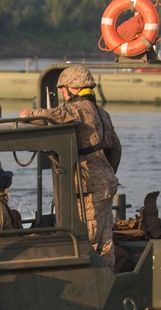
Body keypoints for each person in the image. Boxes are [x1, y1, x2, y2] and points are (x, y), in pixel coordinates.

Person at [20, 66, 122, 269]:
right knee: (105, 241)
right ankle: (108, 282)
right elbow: (116, 149)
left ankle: (91, 287)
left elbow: (49, 116)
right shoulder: (103, 113)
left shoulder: (76, 110)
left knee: (88, 241)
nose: (63, 95)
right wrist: (106, 171)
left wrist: (28, 113)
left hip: (90, 189)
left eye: (63, 90)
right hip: (106, 183)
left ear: (72, 88)